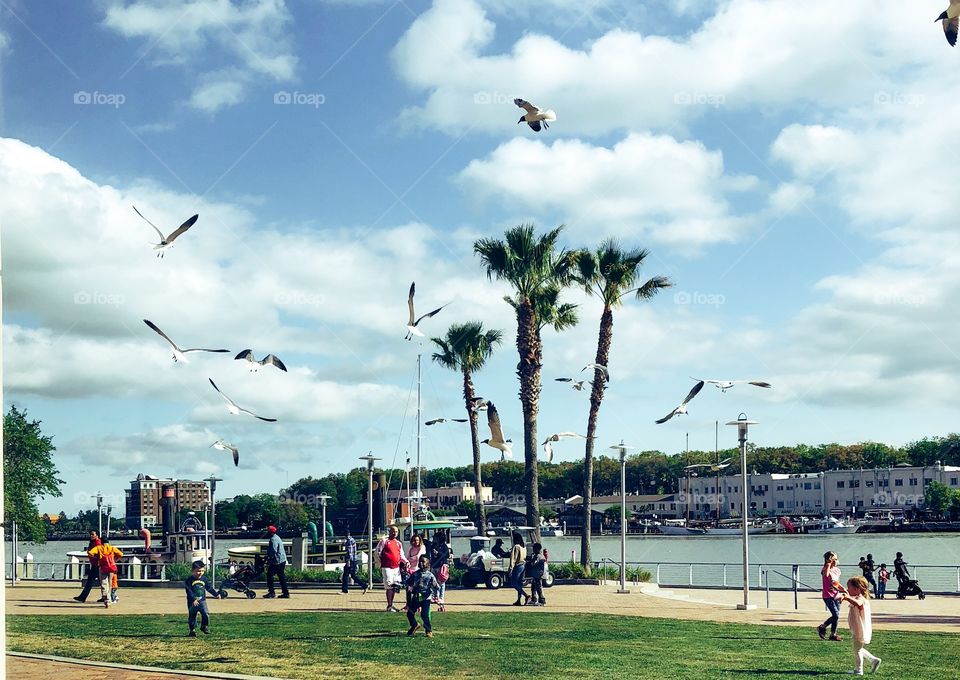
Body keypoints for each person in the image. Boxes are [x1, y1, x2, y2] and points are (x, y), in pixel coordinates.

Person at [841, 576, 881, 675]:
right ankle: (873, 660)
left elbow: (858, 604)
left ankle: (859, 670)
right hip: (857, 628)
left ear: (857, 589)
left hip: (860, 629)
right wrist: (844, 593)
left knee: (857, 650)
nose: (847, 589)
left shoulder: (861, 599)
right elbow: (851, 598)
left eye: (849, 587)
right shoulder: (856, 597)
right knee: (857, 648)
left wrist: (847, 598)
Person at [405, 554, 439, 638]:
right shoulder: (415, 574)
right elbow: (408, 582)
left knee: (424, 614)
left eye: (423, 561)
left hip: (426, 598)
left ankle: (428, 630)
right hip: (416, 596)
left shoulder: (430, 575)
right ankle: (414, 625)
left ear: (428, 563)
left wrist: (436, 596)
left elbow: (436, 586)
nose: (421, 563)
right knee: (410, 613)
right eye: (420, 561)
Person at [184, 560, 221, 637]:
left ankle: (204, 626)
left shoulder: (204, 579)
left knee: (205, 613)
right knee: (192, 616)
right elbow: (189, 591)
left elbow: (209, 588)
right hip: (192, 602)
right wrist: (193, 599)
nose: (200, 573)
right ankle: (192, 630)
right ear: (192, 571)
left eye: (202, 571)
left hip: (202, 601)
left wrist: (216, 594)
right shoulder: (189, 580)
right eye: (198, 571)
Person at [376, 525, 408, 612]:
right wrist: (382, 562)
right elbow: (378, 552)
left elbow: (401, 555)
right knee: (389, 586)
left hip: (396, 568)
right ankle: (389, 606)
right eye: (393, 531)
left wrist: (406, 562)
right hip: (387, 567)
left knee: (395, 586)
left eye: (396, 532)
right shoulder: (384, 541)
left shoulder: (399, 543)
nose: (394, 533)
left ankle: (391, 604)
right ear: (389, 532)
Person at [817, 551, 846, 642]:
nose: (836, 561)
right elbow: (826, 575)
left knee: (836, 616)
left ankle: (833, 634)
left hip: (836, 595)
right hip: (828, 596)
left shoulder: (837, 570)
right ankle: (823, 626)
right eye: (834, 559)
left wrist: (843, 589)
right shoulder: (825, 569)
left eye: (836, 559)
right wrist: (828, 564)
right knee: (836, 615)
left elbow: (836, 583)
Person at [88, 537, 123, 609]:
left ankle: (107, 599)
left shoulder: (98, 548)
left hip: (103, 567)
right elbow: (121, 554)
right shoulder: (112, 548)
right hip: (112, 566)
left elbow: (90, 553)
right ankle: (109, 598)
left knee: (104, 583)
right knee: (110, 583)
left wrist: (96, 558)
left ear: (101, 541)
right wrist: (115, 559)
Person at [73, 531, 101, 603]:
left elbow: (99, 553)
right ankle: (107, 596)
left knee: (91, 581)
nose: (91, 536)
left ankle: (83, 597)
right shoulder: (93, 542)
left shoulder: (98, 543)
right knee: (99, 582)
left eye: (93, 534)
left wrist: (91, 554)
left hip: (97, 565)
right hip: (95, 564)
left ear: (97, 535)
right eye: (90, 534)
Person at [264, 525, 289, 599]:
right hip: (282, 560)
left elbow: (273, 551)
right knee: (281, 577)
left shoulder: (273, 539)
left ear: (270, 532)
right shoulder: (277, 537)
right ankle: (285, 592)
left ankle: (271, 592)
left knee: (269, 575)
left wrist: (268, 558)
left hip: (277, 561)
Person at [430, 529, 451, 605]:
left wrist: (438, 553)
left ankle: (441, 597)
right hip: (434, 565)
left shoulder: (444, 546)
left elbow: (446, 555)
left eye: (435, 538)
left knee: (441, 582)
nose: (434, 539)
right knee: (433, 582)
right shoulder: (433, 546)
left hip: (441, 566)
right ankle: (435, 596)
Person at [509, 531, 529, 606]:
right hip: (523, 565)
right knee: (519, 584)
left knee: (514, 583)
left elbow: (513, 558)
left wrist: (511, 568)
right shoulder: (523, 547)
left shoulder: (516, 547)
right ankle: (518, 600)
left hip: (517, 566)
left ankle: (526, 595)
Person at [527, 542, 547, 606]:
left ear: (537, 549)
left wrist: (530, 562)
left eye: (534, 548)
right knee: (533, 586)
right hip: (536, 574)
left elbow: (534, 563)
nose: (533, 550)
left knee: (539, 587)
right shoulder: (539, 556)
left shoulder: (538, 556)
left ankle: (542, 600)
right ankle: (534, 599)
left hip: (538, 574)